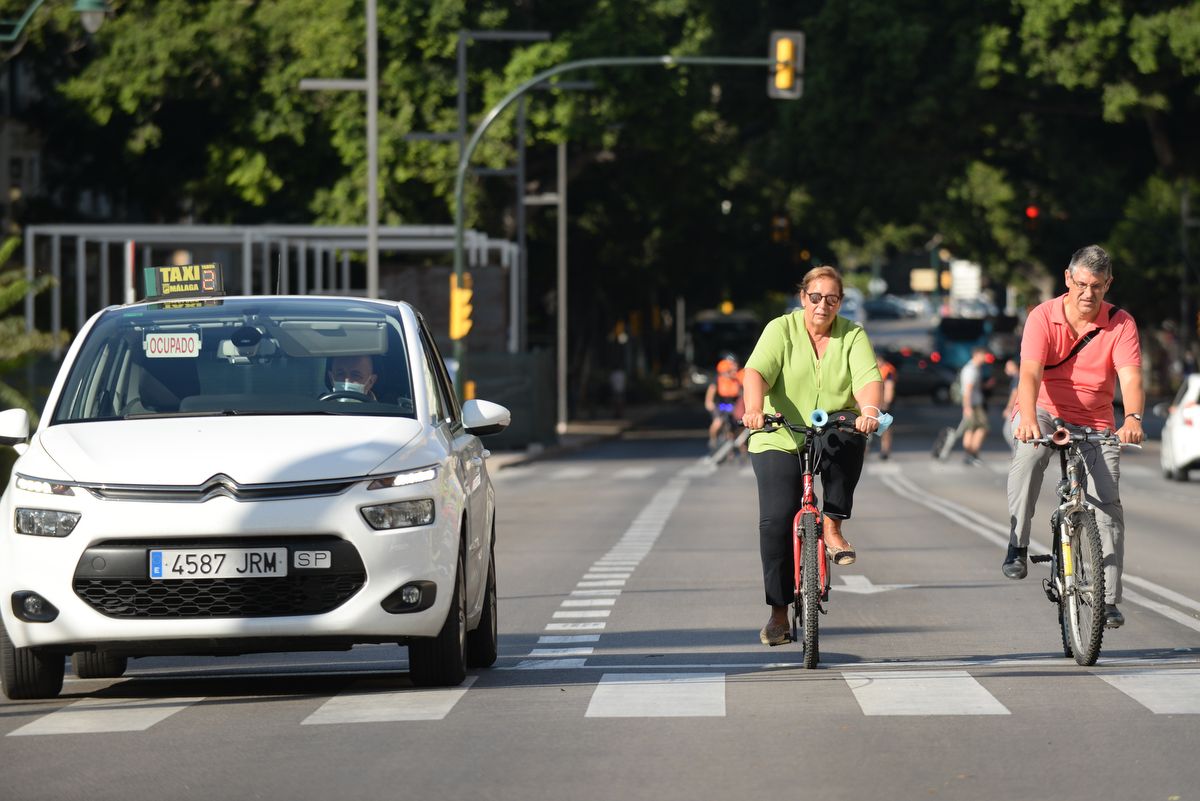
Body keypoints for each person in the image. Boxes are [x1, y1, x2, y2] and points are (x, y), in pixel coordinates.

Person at [741, 265, 884, 646]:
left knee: (851, 436)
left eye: (832, 298)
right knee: (775, 521)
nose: (823, 305)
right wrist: (755, 410)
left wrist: (868, 412)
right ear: (803, 297)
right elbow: (756, 371)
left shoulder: (852, 334)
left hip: (831, 426)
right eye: (816, 297)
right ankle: (778, 613)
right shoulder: (780, 329)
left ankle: (834, 526)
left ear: (840, 302)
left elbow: (869, 378)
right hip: (778, 432)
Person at [1003, 245, 1144, 629]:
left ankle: (1108, 600)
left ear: (1108, 284)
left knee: (1108, 506)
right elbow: (1030, 373)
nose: (1087, 293)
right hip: (1045, 410)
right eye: (1080, 284)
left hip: (1096, 420)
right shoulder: (1043, 317)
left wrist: (1131, 417)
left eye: (1096, 286)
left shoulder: (1121, 323)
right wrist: (1029, 418)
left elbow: (1130, 377)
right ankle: (1017, 545)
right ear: (1068, 279)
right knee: (1029, 456)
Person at [705, 353, 743, 453]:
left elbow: (741, 394)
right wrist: (709, 402)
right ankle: (712, 440)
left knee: (734, 425)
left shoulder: (737, 379)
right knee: (718, 422)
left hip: (732, 405)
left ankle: (733, 448)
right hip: (720, 405)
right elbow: (711, 391)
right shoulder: (718, 379)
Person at [959, 346, 990, 465]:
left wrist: (986, 386)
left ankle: (969, 455)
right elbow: (968, 390)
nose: (985, 358)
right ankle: (972, 453)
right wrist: (967, 407)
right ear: (976, 355)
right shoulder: (971, 370)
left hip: (973, 404)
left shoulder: (975, 368)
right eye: (983, 355)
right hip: (974, 405)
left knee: (970, 429)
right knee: (983, 427)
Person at [874, 353, 897, 460]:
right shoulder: (876, 369)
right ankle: (882, 450)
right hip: (875, 402)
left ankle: (885, 450)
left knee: (884, 427)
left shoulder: (888, 370)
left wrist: (886, 403)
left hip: (883, 403)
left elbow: (889, 387)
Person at [1000, 357, 1019, 449]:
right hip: (1018, 408)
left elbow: (1015, 393)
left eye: (1008, 366)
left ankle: (1016, 451)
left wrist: (1009, 407)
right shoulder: (1017, 376)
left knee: (1008, 431)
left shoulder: (1018, 377)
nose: (1006, 369)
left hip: (1015, 409)